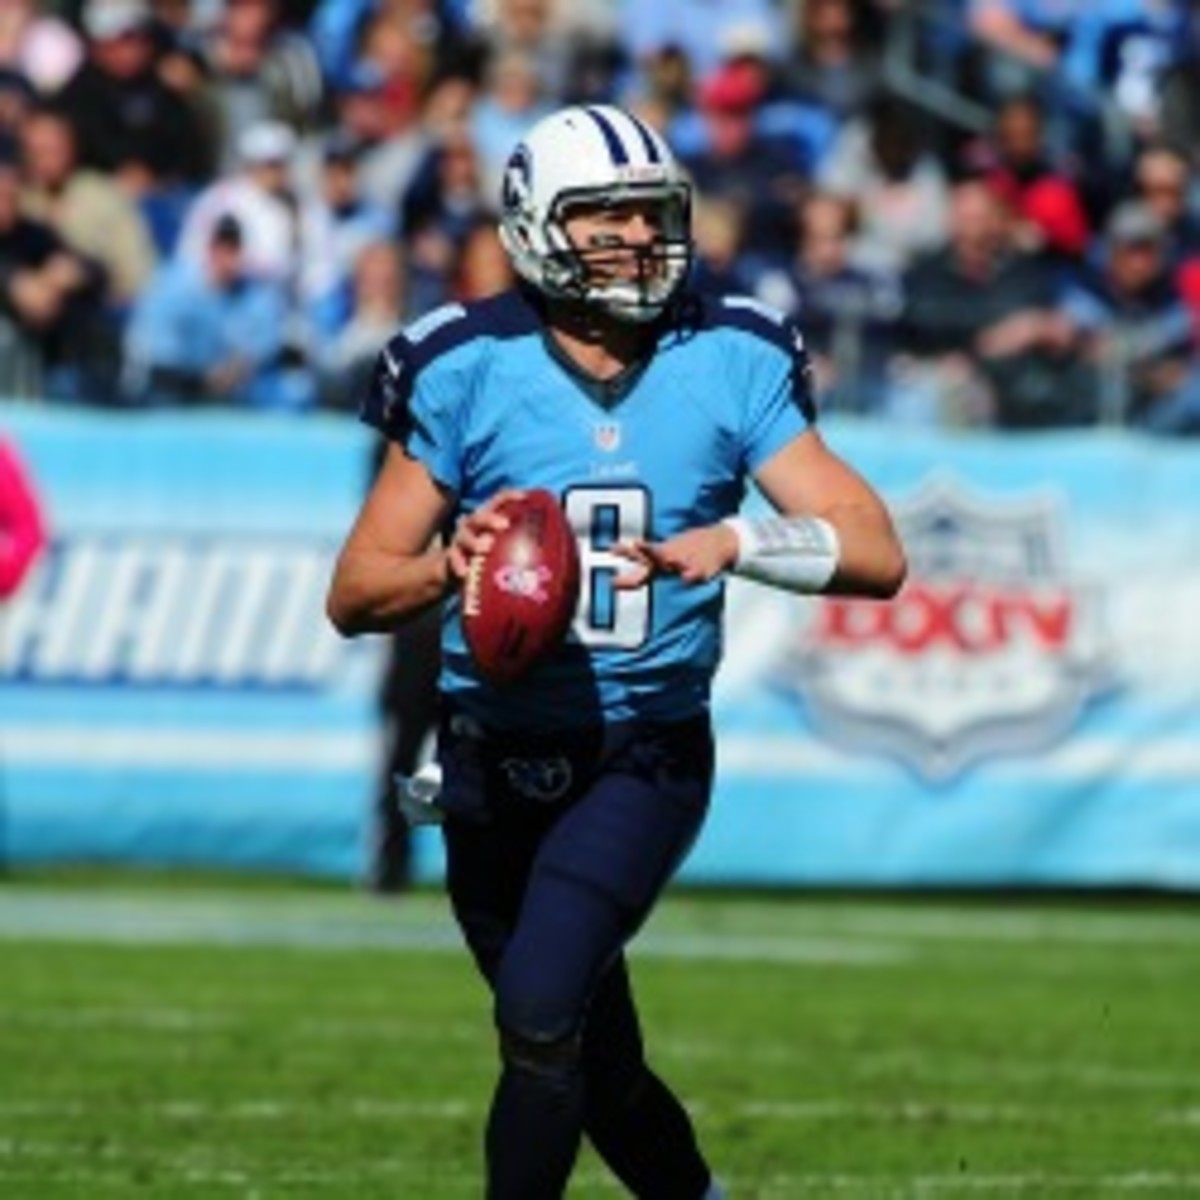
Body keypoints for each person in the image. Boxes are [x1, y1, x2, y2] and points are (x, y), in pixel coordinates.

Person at [326, 103, 905, 1199]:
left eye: (653, 214)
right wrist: (453, 562)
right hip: (487, 759)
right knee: (598, 1066)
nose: (640, 238)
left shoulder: (732, 351)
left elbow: (876, 548)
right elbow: (356, 592)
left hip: (640, 752)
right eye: (607, 218)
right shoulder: (462, 362)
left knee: (539, 1014)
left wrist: (737, 541)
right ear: (538, 228)